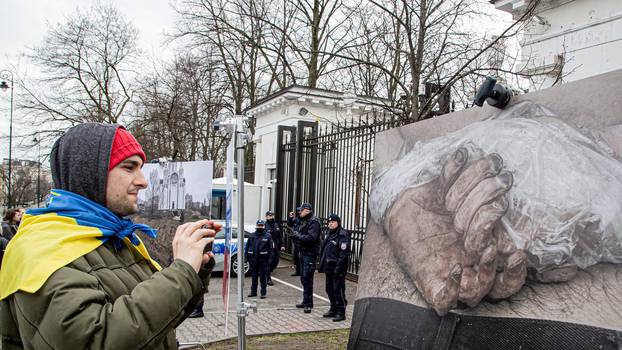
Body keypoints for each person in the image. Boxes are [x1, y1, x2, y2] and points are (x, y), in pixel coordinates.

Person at [0, 123, 219, 350]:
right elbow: (96, 341)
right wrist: (181, 272)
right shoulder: (40, 248)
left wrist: (194, 271)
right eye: (129, 167)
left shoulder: (111, 239)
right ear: (90, 173)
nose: (143, 181)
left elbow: (155, 327)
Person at [318, 213, 350, 322]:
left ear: (338, 223)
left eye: (333, 222)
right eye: (329, 222)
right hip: (329, 267)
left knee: (338, 290)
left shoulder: (342, 234)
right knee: (329, 289)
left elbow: (343, 253)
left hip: (338, 269)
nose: (330, 224)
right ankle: (333, 308)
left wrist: (338, 268)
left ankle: (341, 312)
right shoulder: (330, 234)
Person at [291, 202, 321, 313]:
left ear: (307, 210)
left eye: (301, 210)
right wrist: (295, 237)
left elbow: (311, 238)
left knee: (307, 278)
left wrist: (299, 236)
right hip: (303, 253)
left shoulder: (314, 222)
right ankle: (306, 301)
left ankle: (308, 303)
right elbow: (301, 234)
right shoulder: (304, 221)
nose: (299, 212)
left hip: (310, 254)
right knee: (303, 278)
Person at [246, 220, 274, 299]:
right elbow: (247, 247)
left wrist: (270, 260)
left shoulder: (268, 236)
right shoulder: (252, 235)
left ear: (264, 226)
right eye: (259, 225)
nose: (260, 227)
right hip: (253, 260)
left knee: (262, 277)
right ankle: (253, 292)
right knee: (254, 277)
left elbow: (271, 249)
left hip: (263, 260)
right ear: (256, 226)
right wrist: (246, 258)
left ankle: (263, 293)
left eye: (262, 225)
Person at [265, 210, 284, 285]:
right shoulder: (265, 225)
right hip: (269, 247)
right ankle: (268, 278)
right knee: (269, 262)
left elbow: (280, 236)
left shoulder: (276, 224)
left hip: (276, 246)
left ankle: (268, 271)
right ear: (266, 217)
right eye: (270, 215)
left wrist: (282, 245)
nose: (271, 217)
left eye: (272, 215)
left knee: (275, 262)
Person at [287, 207, 302, 276]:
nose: (299, 212)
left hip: (302, 240)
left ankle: (302, 271)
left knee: (302, 256)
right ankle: (298, 271)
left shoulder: (304, 220)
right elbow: (289, 224)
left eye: (300, 211)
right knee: (295, 256)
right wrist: (290, 217)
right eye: (298, 211)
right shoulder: (296, 219)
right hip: (296, 240)